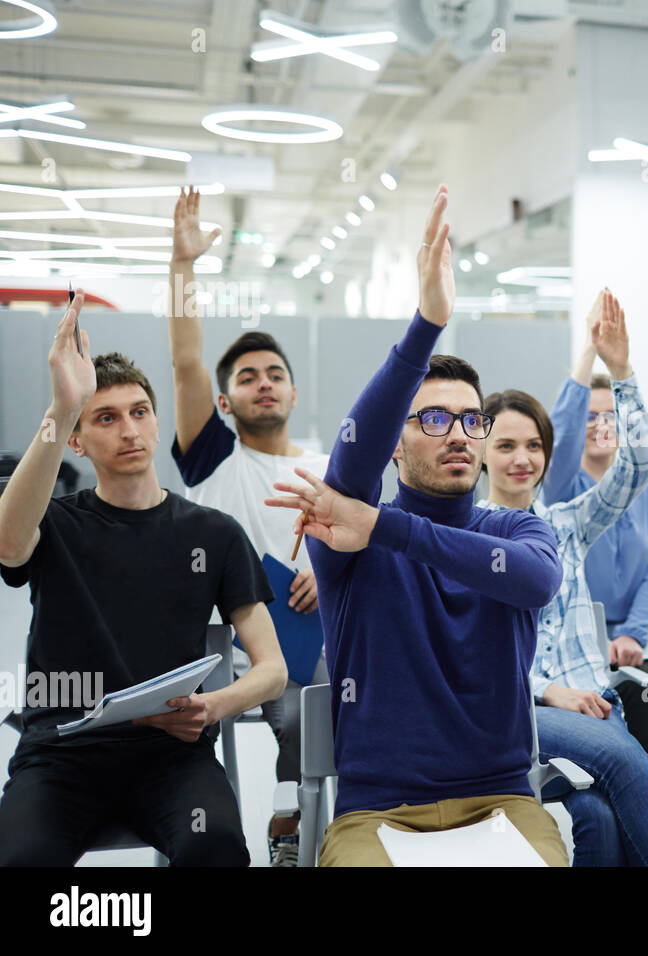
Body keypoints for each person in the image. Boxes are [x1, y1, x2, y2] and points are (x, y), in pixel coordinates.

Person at [265, 186, 569, 866]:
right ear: (396, 445)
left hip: (502, 801)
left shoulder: (518, 534)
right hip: (377, 812)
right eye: (432, 419)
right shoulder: (348, 540)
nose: (457, 434)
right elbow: (350, 459)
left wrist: (387, 528)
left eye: (470, 420)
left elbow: (535, 583)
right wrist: (426, 324)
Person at [0, 298, 286, 866]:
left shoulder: (215, 533)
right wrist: (64, 403)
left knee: (219, 848)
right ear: (76, 441)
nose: (129, 429)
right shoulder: (54, 521)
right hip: (61, 755)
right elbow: (8, 543)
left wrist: (216, 705)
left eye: (139, 412)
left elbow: (272, 669)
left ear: (157, 423)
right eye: (105, 417)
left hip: (171, 758)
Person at [479, 289, 648, 866]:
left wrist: (621, 371)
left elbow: (638, 467)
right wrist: (548, 690)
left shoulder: (566, 523)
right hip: (523, 715)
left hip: (595, 708)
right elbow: (471, 661)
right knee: (627, 762)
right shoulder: (466, 544)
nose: (522, 458)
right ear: (479, 455)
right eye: (505, 446)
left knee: (598, 817)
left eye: (533, 446)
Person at [166, 186, 330, 865]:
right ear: (226, 400)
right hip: (237, 648)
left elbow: (365, 549)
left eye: (275, 374)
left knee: (340, 706)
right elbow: (184, 361)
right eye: (247, 377)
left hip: (318, 644)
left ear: (293, 392)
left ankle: (338, 825)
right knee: (292, 714)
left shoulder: (327, 467)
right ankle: (283, 829)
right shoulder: (215, 459)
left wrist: (328, 566)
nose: (263, 383)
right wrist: (183, 269)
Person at [540, 292, 648, 766]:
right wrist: (590, 353)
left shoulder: (645, 492)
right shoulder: (559, 491)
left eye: (608, 415)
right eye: (590, 416)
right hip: (573, 643)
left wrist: (633, 633)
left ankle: (643, 791)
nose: (599, 425)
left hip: (629, 640)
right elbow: (561, 431)